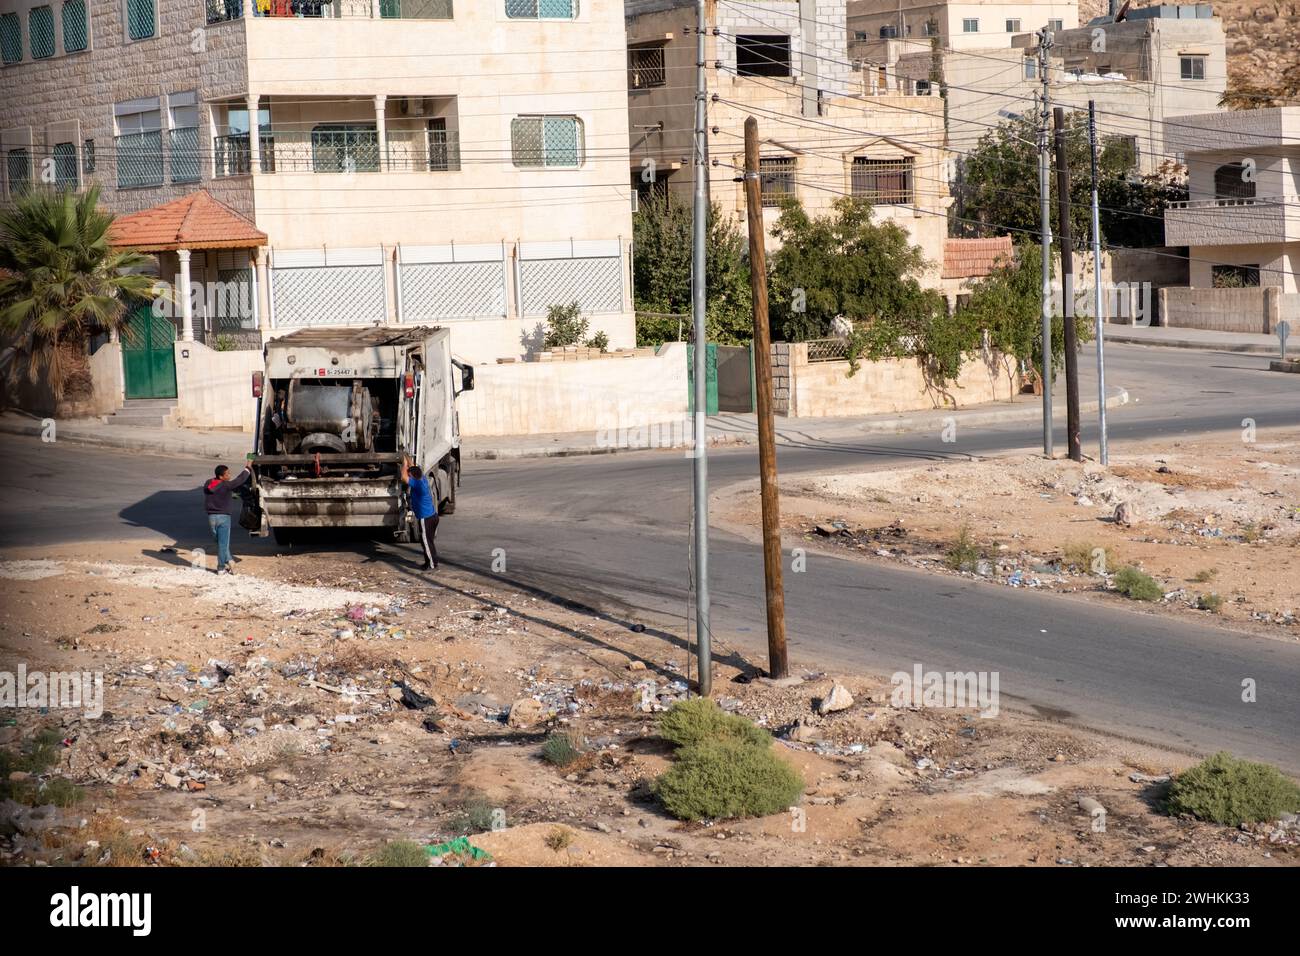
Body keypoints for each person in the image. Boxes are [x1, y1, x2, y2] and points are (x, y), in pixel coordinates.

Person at [204, 462, 251, 574]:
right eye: (227, 474)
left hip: (211, 518)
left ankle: (230, 561)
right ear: (221, 476)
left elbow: (214, 486)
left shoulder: (208, 483)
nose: (229, 476)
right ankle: (221, 568)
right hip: (224, 518)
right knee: (223, 544)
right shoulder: (227, 485)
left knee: (220, 543)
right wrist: (248, 466)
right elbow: (241, 479)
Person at [400, 455, 438, 571]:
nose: (409, 475)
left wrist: (404, 464)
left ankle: (432, 566)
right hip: (432, 516)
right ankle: (429, 563)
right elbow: (414, 468)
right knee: (426, 541)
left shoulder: (418, 485)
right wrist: (407, 458)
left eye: (410, 474)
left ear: (413, 476)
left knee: (426, 542)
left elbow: (403, 477)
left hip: (426, 519)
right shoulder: (422, 479)